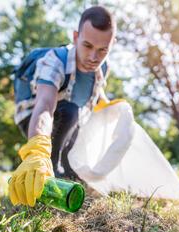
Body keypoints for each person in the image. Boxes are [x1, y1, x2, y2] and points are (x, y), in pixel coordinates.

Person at [9, 6, 119, 206]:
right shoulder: (55, 61)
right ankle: (47, 165)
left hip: (71, 122)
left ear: (112, 44)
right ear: (76, 37)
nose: (94, 57)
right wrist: (37, 149)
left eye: (102, 50)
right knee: (70, 111)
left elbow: (95, 93)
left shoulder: (103, 67)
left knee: (74, 157)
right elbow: (44, 106)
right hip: (35, 118)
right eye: (87, 46)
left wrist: (112, 106)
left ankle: (65, 172)